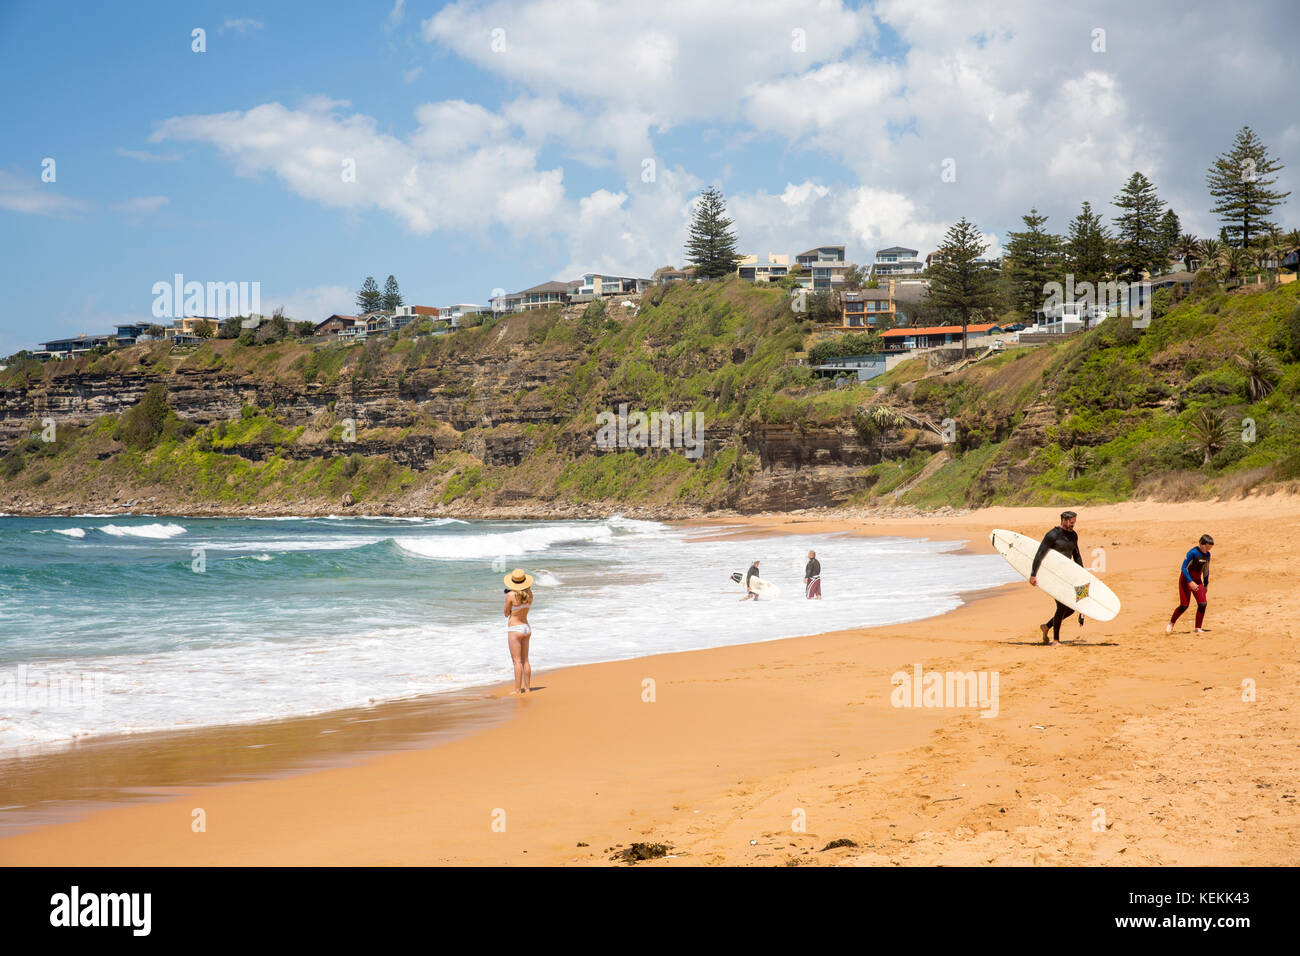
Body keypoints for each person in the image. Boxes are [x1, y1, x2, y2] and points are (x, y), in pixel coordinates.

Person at [1029, 510, 1083, 646]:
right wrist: (1033, 574)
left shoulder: (1073, 536)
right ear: (1064, 520)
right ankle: (1056, 640)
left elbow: (1076, 555)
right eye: (1071, 522)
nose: (1073, 525)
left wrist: (1082, 573)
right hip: (1053, 575)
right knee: (1061, 606)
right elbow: (1040, 553)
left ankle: (1046, 627)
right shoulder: (1053, 535)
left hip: (1067, 575)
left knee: (1070, 609)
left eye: (1074, 522)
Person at [1168, 534, 1214, 634]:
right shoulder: (1192, 553)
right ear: (1201, 544)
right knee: (1184, 605)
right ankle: (1171, 623)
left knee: (1203, 603)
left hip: (1197, 580)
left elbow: (1206, 570)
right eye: (1207, 547)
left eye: (1210, 548)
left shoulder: (1207, 555)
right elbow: (1183, 568)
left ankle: (1198, 628)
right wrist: (1190, 582)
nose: (1208, 550)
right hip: (1186, 580)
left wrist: (1206, 584)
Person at [503, 568, 534, 694]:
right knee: (525, 660)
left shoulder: (510, 595)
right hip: (526, 627)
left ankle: (517, 690)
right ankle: (527, 688)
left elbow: (506, 613)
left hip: (515, 628)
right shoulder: (530, 594)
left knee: (517, 662)